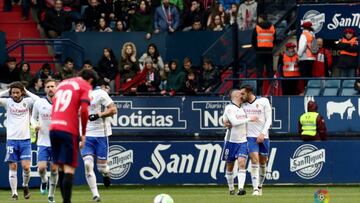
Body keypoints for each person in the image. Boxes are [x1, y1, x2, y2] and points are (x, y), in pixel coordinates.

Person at [49, 69, 98, 203]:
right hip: (68, 129)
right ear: (91, 80)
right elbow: (84, 110)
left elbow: (54, 105)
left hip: (53, 128)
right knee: (69, 168)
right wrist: (83, 133)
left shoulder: (62, 84)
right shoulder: (85, 85)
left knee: (60, 166)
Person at [0, 82, 40, 200]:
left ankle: (25, 185)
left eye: (17, 92)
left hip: (25, 140)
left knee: (26, 167)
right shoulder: (7, 102)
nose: (15, 95)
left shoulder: (27, 102)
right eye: (13, 93)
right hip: (11, 140)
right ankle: (14, 193)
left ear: (21, 92)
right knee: (13, 166)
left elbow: (38, 100)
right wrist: (7, 92)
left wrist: (26, 91)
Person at [81, 82, 117, 202]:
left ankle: (106, 174)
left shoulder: (101, 93)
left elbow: (113, 110)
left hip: (101, 134)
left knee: (102, 168)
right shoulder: (76, 96)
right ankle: (95, 195)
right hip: (86, 135)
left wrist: (99, 115)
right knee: (87, 164)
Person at [222, 89, 257, 195]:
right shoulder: (229, 108)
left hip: (242, 141)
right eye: (240, 94)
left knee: (242, 163)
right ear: (236, 96)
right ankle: (231, 188)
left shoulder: (243, 108)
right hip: (230, 141)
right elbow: (234, 122)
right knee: (230, 166)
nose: (242, 95)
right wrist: (249, 119)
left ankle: (241, 189)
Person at [240, 85, 271, 196]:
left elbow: (269, 119)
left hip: (264, 136)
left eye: (243, 93)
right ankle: (255, 189)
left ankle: (260, 185)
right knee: (254, 159)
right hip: (250, 137)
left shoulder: (264, 101)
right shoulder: (241, 104)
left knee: (263, 162)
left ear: (249, 92)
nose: (241, 95)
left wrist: (263, 133)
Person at [30, 79, 58, 203]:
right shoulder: (39, 102)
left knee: (54, 170)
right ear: (45, 88)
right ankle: (44, 181)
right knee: (41, 168)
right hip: (43, 141)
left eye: (52, 86)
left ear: (56, 88)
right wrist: (34, 125)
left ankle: (51, 196)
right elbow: (32, 118)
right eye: (48, 86)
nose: (50, 88)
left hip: (58, 142)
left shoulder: (62, 103)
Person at [252, 13, 276, 95]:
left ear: (261, 18)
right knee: (270, 72)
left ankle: (259, 92)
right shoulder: (272, 27)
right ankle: (272, 91)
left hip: (259, 53)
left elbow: (253, 40)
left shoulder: (257, 27)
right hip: (269, 52)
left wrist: (257, 49)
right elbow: (274, 39)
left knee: (259, 72)